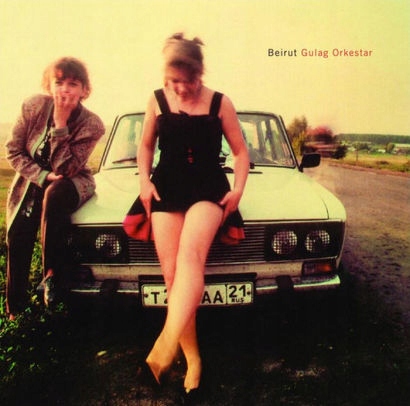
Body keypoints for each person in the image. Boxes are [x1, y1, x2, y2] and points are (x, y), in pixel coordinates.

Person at [133, 33, 249, 394]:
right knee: (172, 276)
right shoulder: (155, 100)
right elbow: (146, 146)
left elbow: (241, 152)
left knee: (190, 257)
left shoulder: (220, 102)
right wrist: (143, 181)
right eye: (173, 81)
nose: (181, 88)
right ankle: (193, 359)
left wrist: (238, 188)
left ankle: (163, 349)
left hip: (208, 187)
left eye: (189, 80)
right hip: (166, 185)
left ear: (200, 73)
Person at [5, 57, 105, 319]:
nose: (65, 90)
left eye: (73, 84)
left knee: (55, 192)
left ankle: (51, 276)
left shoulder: (92, 124)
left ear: (84, 90)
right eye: (59, 82)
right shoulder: (33, 106)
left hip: (71, 183)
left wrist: (60, 124)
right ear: (48, 85)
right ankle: (16, 311)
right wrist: (41, 175)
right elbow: (13, 151)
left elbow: (66, 169)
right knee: (18, 234)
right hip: (30, 180)